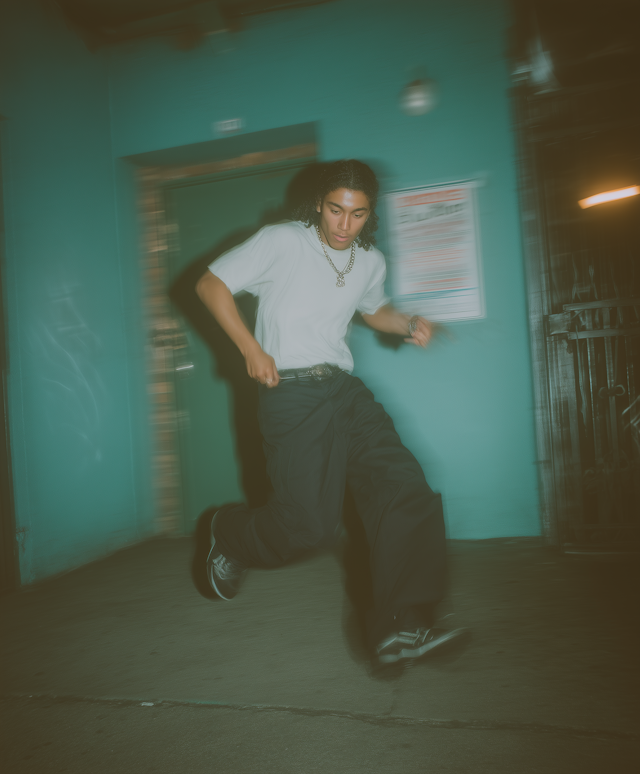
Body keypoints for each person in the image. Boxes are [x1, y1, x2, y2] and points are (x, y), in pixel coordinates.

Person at [195, 159, 465, 666]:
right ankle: (229, 533)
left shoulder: (369, 261)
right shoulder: (283, 240)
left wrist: (408, 324)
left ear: (370, 213)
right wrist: (251, 348)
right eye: (336, 210)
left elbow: (373, 310)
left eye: (357, 214)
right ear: (319, 204)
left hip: (343, 389)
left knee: (403, 484)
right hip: (290, 391)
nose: (344, 224)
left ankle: (406, 622)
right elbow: (211, 285)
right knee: (308, 528)